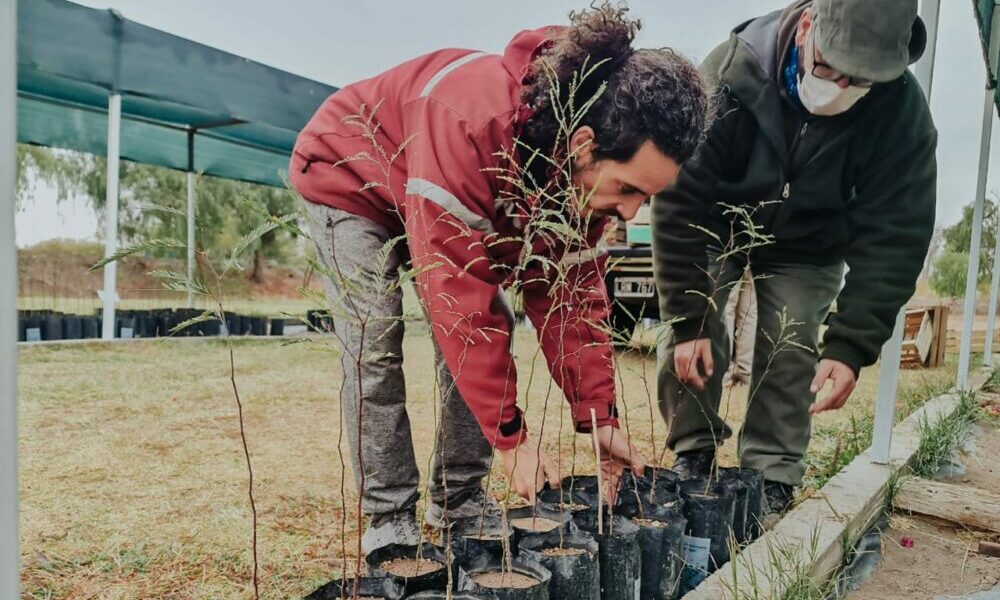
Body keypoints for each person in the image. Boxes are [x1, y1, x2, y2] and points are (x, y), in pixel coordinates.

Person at [290, 3, 711, 553]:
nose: (631, 214)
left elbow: (569, 301)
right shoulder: (470, 124)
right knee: (375, 338)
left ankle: (458, 501)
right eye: (628, 189)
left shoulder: (578, 182)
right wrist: (511, 439)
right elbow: (460, 304)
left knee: (497, 322)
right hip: (350, 175)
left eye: (646, 198)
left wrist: (597, 417)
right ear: (583, 145)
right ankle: (388, 516)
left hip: (426, 185)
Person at [653, 0, 936, 521]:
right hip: (718, 221)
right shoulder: (733, 71)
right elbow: (678, 196)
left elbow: (898, 234)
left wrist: (851, 345)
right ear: (808, 26)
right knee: (695, 325)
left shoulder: (900, 114)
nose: (842, 89)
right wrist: (690, 318)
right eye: (832, 68)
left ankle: (772, 480)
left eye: (861, 80)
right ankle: (692, 452)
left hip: (811, 242)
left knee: (792, 337)